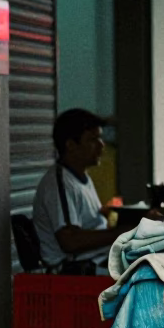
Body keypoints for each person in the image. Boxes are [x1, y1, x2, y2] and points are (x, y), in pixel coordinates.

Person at [32, 108, 124, 273]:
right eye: (92, 139)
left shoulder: (81, 176)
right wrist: (121, 233)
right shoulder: (59, 183)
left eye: (100, 138)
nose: (101, 145)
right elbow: (70, 241)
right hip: (77, 269)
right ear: (71, 145)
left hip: (97, 258)